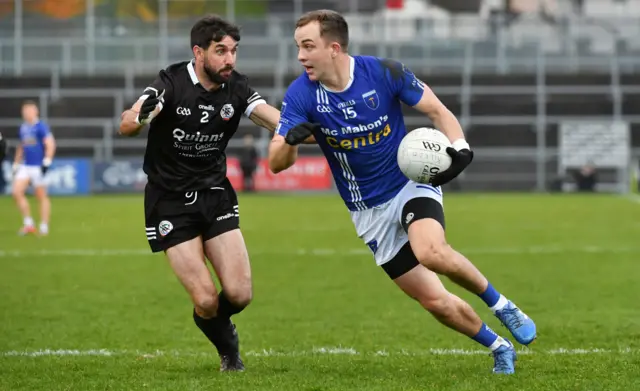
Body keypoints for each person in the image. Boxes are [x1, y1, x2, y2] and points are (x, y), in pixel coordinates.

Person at [269, 10, 536, 375]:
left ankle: (503, 305)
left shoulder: (383, 72)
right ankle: (498, 346)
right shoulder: (301, 94)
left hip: (409, 184)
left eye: (307, 46)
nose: (300, 56)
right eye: (298, 47)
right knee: (434, 301)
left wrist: (461, 148)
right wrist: (292, 143)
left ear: (333, 48)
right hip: (367, 211)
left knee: (432, 251)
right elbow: (276, 162)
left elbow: (437, 110)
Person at [118, 15, 283, 372]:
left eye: (234, 51)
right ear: (198, 52)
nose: (230, 59)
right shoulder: (170, 83)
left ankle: (215, 322)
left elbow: (274, 119)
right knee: (207, 300)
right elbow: (129, 122)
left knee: (239, 294)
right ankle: (228, 350)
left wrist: (313, 129)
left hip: (215, 194)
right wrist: (140, 117)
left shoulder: (236, 87)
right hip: (169, 202)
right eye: (221, 51)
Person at [12, 100, 56, 236]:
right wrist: (16, 162)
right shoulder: (23, 128)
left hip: (38, 166)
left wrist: (47, 161)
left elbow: (50, 143)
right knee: (16, 192)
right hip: (26, 165)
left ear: (35, 111)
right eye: (24, 111)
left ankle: (44, 225)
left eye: (29, 110)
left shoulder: (41, 127)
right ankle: (28, 223)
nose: (26, 113)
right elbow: (22, 146)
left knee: (41, 196)